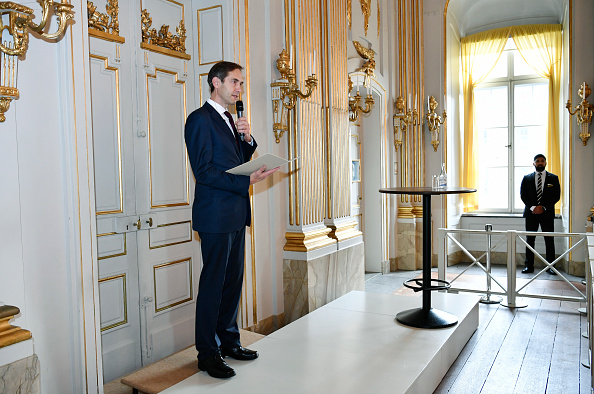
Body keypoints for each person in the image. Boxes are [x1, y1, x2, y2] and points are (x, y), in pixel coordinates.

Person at [184, 61, 278, 379]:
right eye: (235, 82)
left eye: (241, 84)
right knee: (213, 286)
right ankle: (207, 354)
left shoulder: (230, 119)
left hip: (237, 213)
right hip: (214, 215)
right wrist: (245, 183)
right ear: (216, 83)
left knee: (232, 283)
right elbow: (204, 171)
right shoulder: (199, 120)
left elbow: (238, 160)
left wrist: (247, 139)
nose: (239, 89)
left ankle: (229, 342)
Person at [520, 154, 560, 275]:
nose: (540, 163)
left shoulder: (553, 178)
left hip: (547, 214)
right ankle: (529, 266)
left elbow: (556, 196)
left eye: (542, 161)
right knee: (530, 240)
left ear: (546, 163)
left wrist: (542, 207)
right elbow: (523, 195)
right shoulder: (526, 178)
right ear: (534, 163)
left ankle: (550, 266)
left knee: (549, 240)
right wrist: (533, 208)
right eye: (537, 161)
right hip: (531, 213)